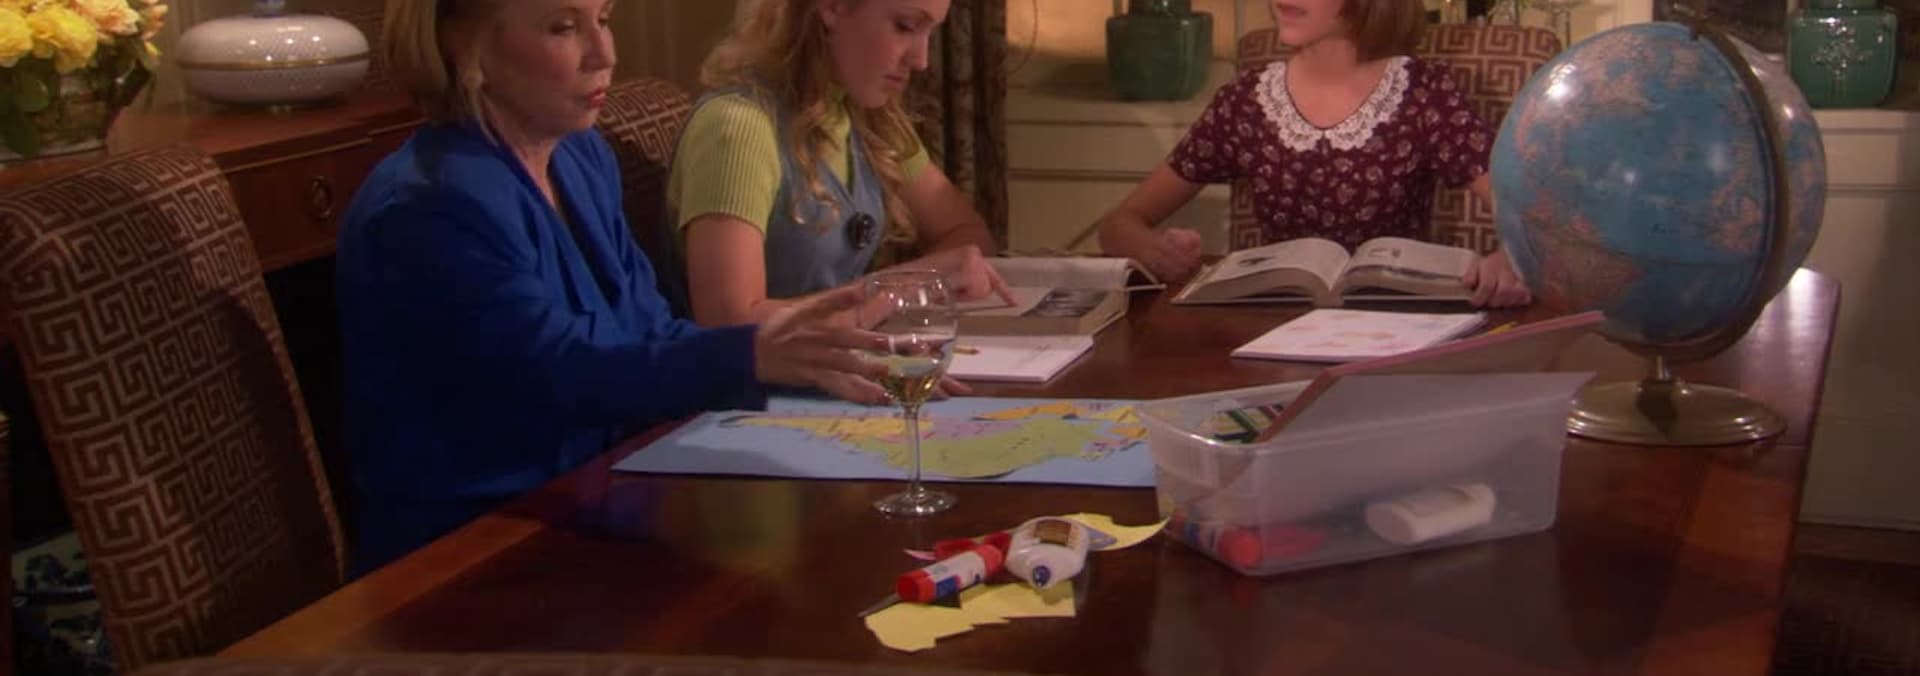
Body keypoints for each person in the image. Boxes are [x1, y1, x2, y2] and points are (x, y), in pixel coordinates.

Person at [335, 0, 886, 574]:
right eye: (563, 27)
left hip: (600, 500)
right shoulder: (428, 205)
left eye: (604, 19)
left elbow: (651, 330)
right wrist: (751, 354)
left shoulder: (581, 156)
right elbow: (563, 372)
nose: (605, 54)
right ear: (462, 45)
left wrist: (802, 359)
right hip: (470, 554)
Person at [668, 0, 1014, 404]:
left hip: (829, 386)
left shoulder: (869, 119)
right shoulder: (737, 128)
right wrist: (902, 288)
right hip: (746, 408)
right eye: (905, 26)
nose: (921, 60)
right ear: (832, 7)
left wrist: (896, 295)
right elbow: (731, 329)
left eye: (931, 32)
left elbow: (967, 233)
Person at [1094, 0, 1532, 307]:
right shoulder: (1245, 101)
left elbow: (1529, 223)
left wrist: (1510, 258)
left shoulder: (1423, 92)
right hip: (1269, 335)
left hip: (1392, 333)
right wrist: (1152, 249)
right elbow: (1117, 224)